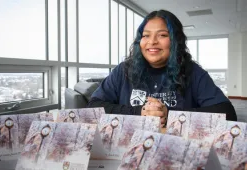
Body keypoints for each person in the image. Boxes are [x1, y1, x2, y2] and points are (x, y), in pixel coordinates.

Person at [88, 9, 237, 127]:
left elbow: (228, 114)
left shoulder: (192, 72)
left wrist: (170, 114)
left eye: (162, 35)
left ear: (175, 41)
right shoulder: (123, 71)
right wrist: (139, 112)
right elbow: (93, 107)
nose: (152, 42)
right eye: (145, 36)